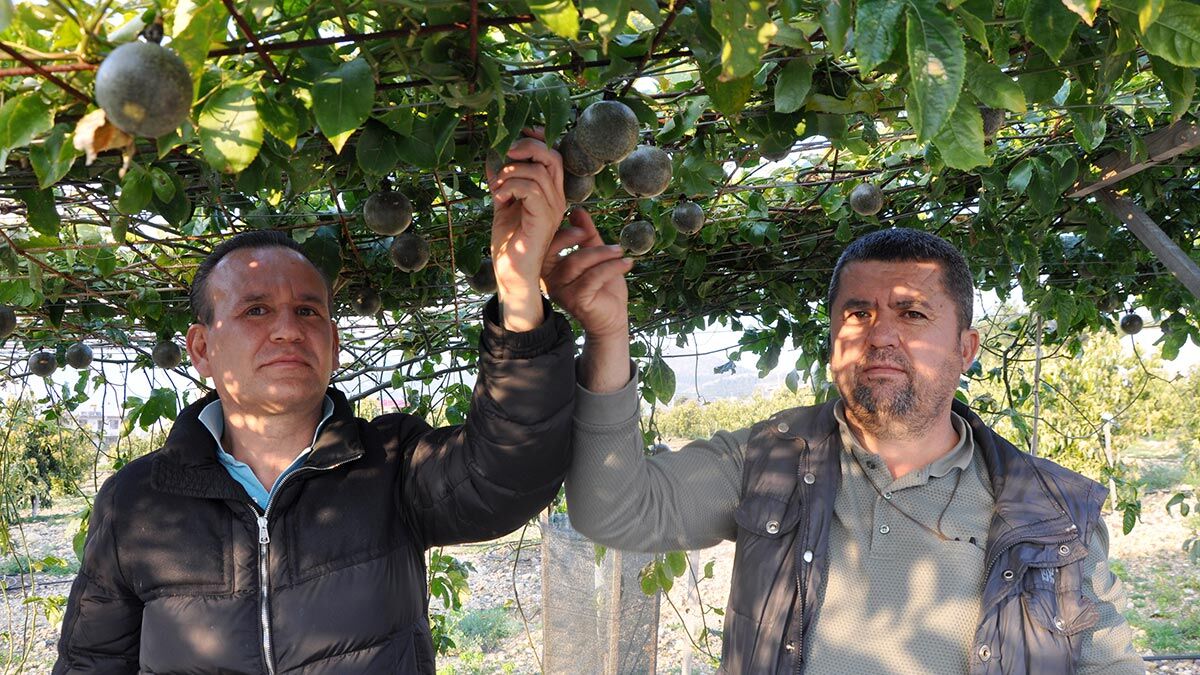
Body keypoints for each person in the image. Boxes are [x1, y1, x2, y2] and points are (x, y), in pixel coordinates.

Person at [54, 136, 575, 674]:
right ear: (201, 349)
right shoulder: (136, 502)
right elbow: (91, 663)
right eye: (256, 310)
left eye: (307, 311)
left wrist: (518, 289)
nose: (287, 330)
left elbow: (507, 473)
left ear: (333, 343)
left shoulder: (391, 464)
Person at [546, 224, 1144, 674]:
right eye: (858, 313)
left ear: (966, 349)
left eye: (912, 313)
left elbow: (1108, 664)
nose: (880, 335)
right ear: (833, 341)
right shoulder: (768, 461)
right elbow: (611, 510)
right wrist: (608, 335)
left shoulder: (1052, 510)